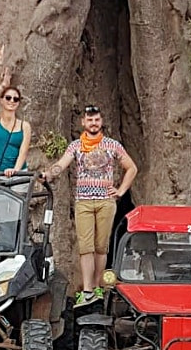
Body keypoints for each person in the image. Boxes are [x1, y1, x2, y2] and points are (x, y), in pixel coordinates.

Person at [42, 104, 138, 307]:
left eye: (97, 119)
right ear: (83, 122)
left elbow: (132, 168)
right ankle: (86, 290)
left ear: (101, 122)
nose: (93, 123)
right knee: (85, 247)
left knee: (101, 247)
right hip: (84, 201)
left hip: (106, 201)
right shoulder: (76, 146)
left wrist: (120, 191)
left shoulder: (112, 145)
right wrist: (49, 174)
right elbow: (62, 164)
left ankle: (97, 288)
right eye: (90, 120)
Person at [0, 46, 32, 175]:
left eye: (15, 99)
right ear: (2, 100)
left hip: (18, 174)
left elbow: (23, 151)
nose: (12, 101)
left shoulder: (24, 126)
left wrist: (15, 170)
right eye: (8, 97)